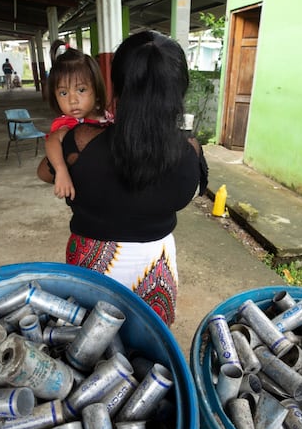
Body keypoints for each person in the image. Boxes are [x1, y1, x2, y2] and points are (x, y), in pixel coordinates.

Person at [37, 31, 208, 326]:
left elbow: (44, 172)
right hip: (156, 264)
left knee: (88, 348)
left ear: (114, 88)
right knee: (152, 345)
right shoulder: (189, 150)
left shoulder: (80, 142)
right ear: (178, 92)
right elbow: (189, 191)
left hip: (92, 262)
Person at [42, 40, 111, 200]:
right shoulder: (69, 124)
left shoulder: (106, 116)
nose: (73, 100)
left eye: (81, 90)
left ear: (96, 89)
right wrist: (61, 170)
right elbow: (52, 141)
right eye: (63, 93)